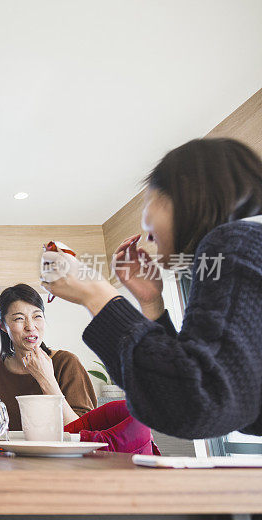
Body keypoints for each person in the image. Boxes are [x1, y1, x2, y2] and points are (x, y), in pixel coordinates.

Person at [42, 138, 262, 439]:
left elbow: (197, 404)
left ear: (184, 192)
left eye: (150, 201)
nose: (146, 228)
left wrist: (97, 295)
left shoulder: (234, 242)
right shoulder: (248, 245)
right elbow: (234, 401)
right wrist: (152, 305)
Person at [0, 283, 96, 430]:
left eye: (37, 316)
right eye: (19, 319)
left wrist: (46, 380)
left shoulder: (66, 362)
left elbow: (82, 432)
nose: (31, 326)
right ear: (3, 325)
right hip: (5, 453)